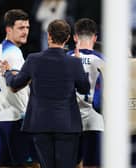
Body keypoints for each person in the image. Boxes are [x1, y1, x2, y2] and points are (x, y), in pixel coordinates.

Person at [0, 19, 90, 168]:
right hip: (66, 125)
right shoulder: (74, 62)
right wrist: (80, 65)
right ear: (67, 38)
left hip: (40, 124)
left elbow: (16, 83)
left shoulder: (33, 59)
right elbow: (84, 88)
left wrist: (8, 72)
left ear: (48, 36)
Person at [0, 9, 39, 168]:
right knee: (32, 165)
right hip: (17, 118)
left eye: (27, 27)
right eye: (21, 28)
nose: (25, 32)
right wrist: (34, 74)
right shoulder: (14, 53)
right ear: (8, 29)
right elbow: (15, 85)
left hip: (0, 119)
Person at [67, 18, 104, 168]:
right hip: (95, 120)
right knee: (92, 165)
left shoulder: (66, 58)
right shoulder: (103, 60)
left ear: (75, 37)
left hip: (70, 120)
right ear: (95, 37)